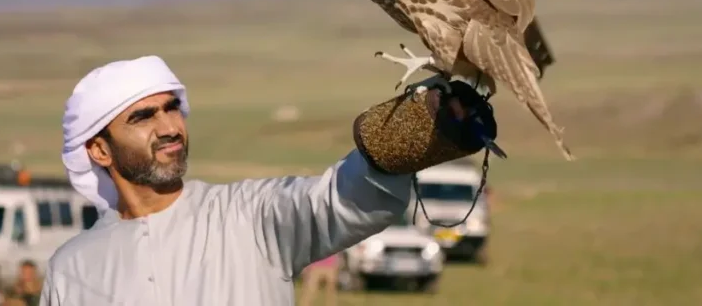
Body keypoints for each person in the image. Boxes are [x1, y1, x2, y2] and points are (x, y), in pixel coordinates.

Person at [41, 55, 465, 305]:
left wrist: (414, 131)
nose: (170, 126)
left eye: (172, 108)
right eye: (144, 116)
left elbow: (337, 200)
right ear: (99, 150)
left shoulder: (249, 217)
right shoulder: (72, 267)